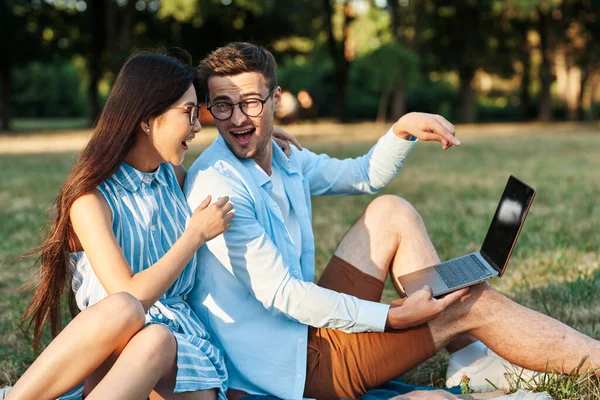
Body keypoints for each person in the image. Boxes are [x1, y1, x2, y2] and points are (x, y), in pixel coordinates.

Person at [184, 42, 600, 400]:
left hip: (301, 327)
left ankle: (468, 356)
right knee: (469, 302)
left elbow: (361, 174)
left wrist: (402, 130)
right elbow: (286, 296)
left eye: (251, 102)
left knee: (391, 211)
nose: (238, 118)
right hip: (289, 366)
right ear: (209, 109)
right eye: (223, 105)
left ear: (275, 100)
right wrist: (390, 318)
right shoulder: (219, 186)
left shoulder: (283, 156)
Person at [7, 51, 236, 400]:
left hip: (181, 364)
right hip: (114, 364)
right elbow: (132, 297)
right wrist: (194, 236)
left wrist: (264, 138)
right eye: (188, 113)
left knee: (156, 338)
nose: (196, 125)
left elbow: (228, 166)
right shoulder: (91, 202)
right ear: (147, 120)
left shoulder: (174, 178)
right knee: (125, 307)